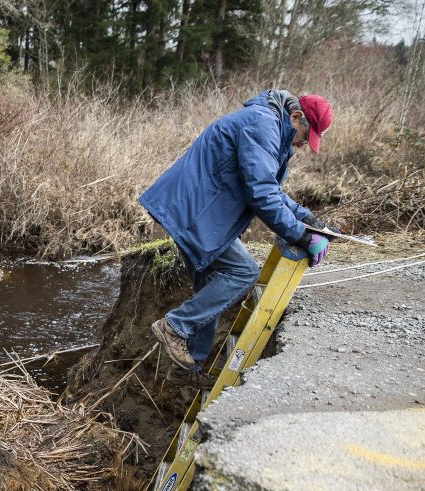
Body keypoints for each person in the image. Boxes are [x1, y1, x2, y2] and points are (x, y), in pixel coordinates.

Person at [141, 89, 335, 374]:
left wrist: (309, 219)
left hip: (198, 209)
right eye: (307, 137)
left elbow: (271, 189)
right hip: (194, 210)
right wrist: (302, 236)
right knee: (242, 272)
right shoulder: (263, 125)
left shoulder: (272, 129)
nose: (305, 145)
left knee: (209, 290)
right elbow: (262, 194)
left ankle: (191, 367)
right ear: (296, 117)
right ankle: (175, 326)